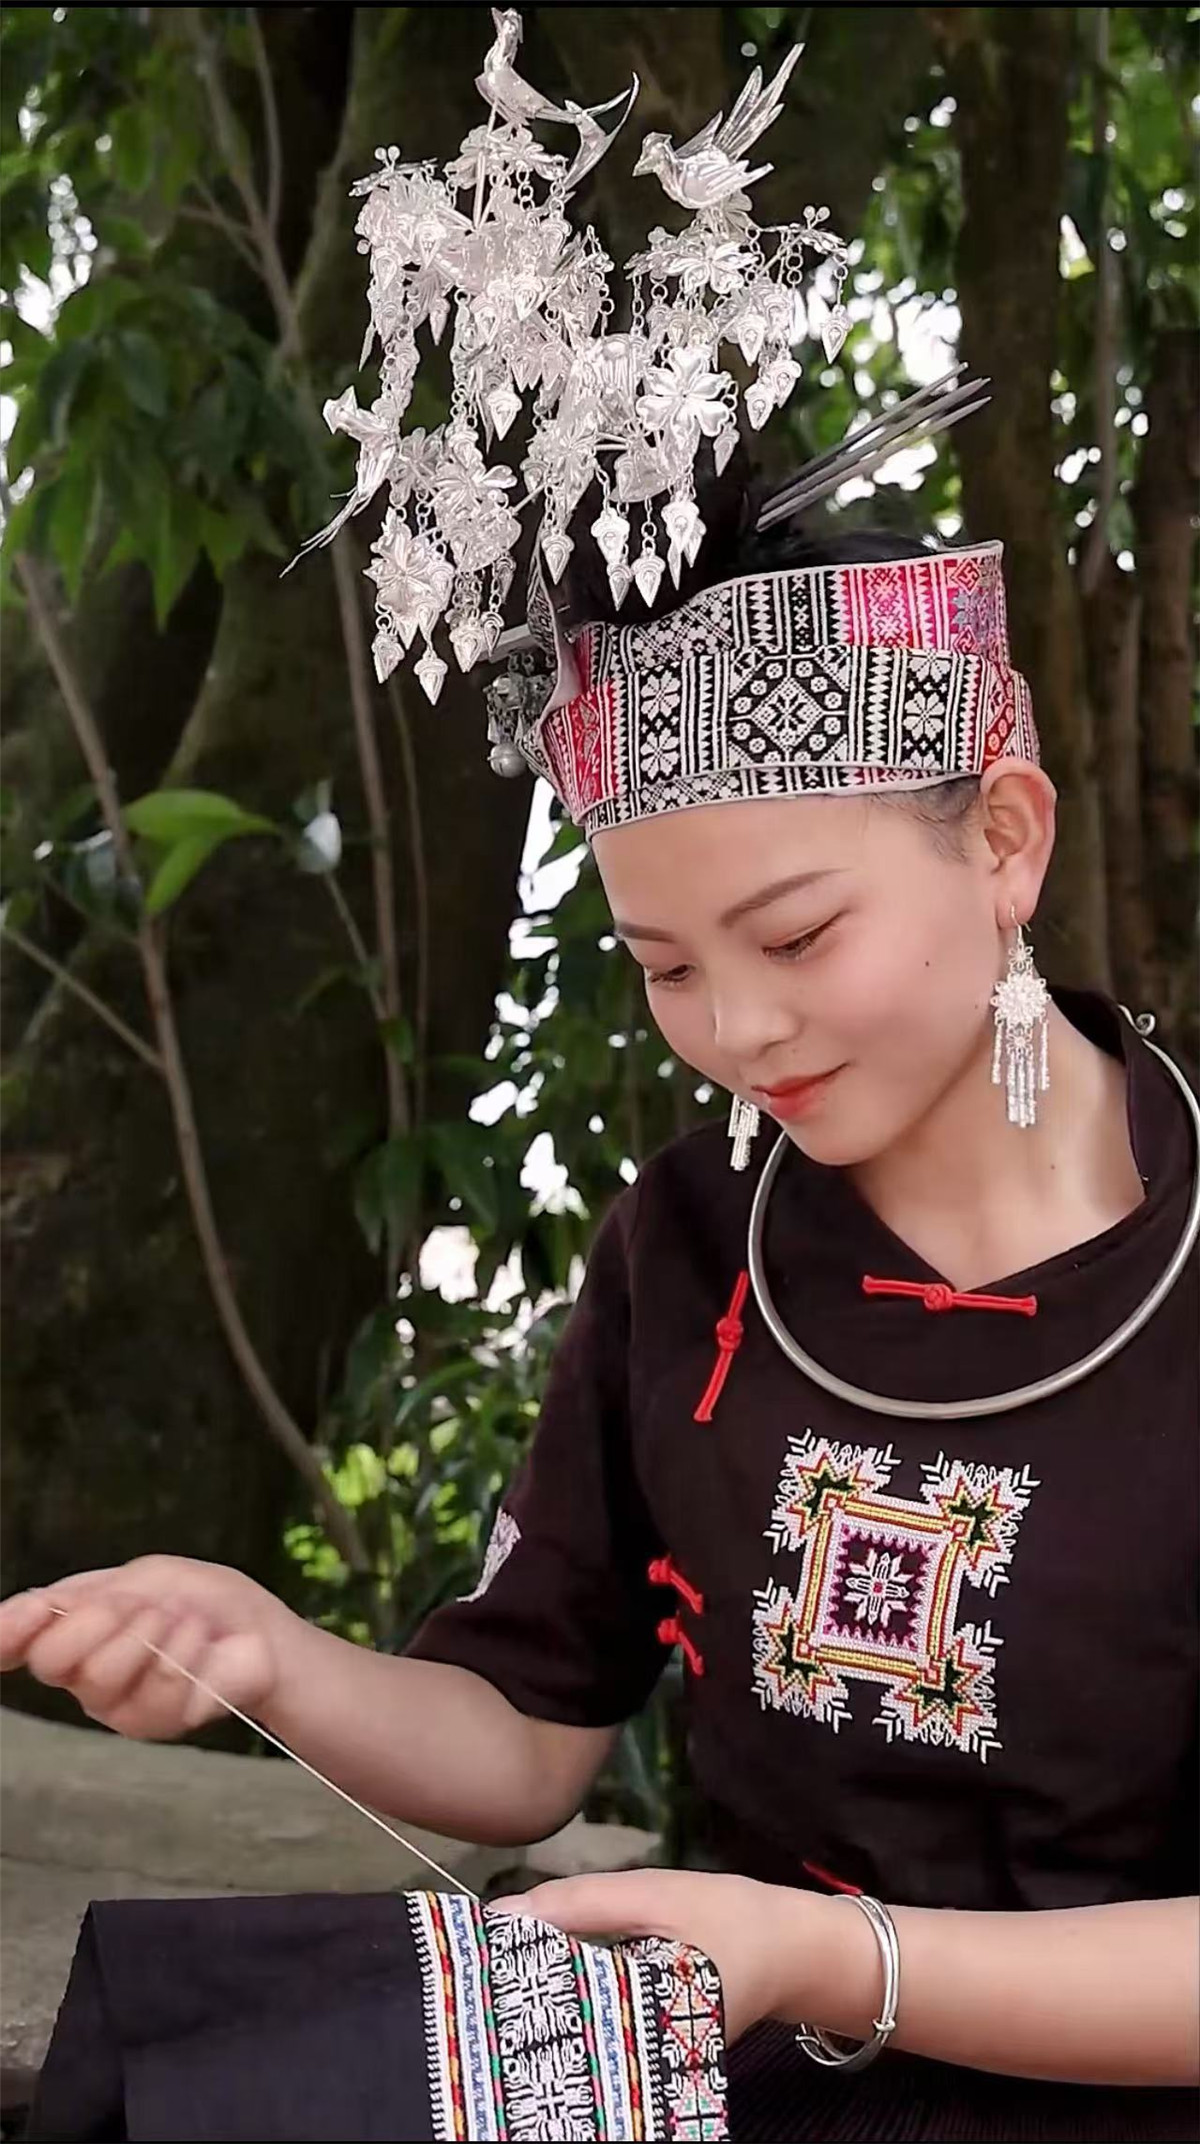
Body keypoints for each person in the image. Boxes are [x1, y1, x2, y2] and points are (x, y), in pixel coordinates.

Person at [3, 16, 1197, 2140]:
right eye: (663, 965)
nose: (738, 1029)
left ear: (1002, 839)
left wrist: (839, 1960)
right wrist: (275, 1659)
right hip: (720, 2061)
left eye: (798, 937)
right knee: (183, 2080)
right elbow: (529, 1737)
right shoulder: (690, 1253)